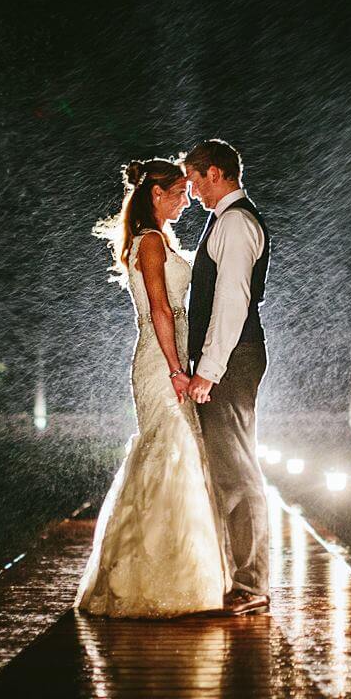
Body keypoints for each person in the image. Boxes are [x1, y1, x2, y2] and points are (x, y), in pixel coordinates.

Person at [75, 158, 230, 617]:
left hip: (167, 356)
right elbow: (161, 310)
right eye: (180, 192)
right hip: (160, 361)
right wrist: (176, 367)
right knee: (169, 452)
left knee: (175, 454)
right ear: (156, 194)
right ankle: (153, 575)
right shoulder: (149, 242)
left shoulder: (156, 240)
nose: (187, 199)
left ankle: (176, 569)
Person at [182, 139, 272, 616]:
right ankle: (239, 577)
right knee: (229, 468)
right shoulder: (227, 222)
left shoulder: (236, 223)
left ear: (215, 173)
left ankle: (253, 583)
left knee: (237, 470)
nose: (193, 192)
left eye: (195, 181)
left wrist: (208, 372)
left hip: (233, 360)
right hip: (232, 358)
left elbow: (232, 303)